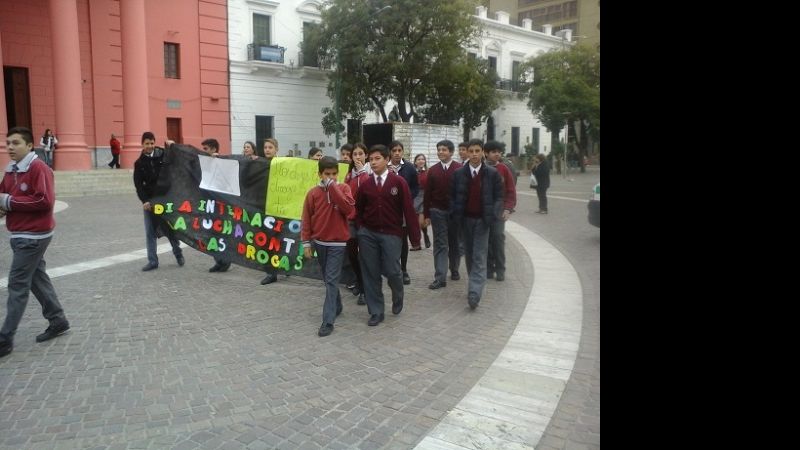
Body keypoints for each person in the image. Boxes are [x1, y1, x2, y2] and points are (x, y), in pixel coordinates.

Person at [0, 127, 70, 358]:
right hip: (20, 234)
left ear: (30, 146)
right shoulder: (11, 170)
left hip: (33, 236)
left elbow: (44, 200)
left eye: (16, 143)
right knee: (36, 278)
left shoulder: (38, 167)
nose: (10, 147)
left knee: (17, 284)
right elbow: (3, 196)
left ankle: (5, 338)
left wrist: (9, 202)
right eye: (8, 142)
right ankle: (58, 319)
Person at [355, 144, 421, 327]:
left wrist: (415, 238)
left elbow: (408, 210)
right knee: (371, 272)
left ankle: (398, 294)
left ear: (386, 159)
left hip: (392, 234)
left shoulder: (398, 183)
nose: (374, 162)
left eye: (378, 159)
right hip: (368, 234)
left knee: (393, 271)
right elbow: (359, 210)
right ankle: (376, 311)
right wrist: (361, 230)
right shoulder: (365, 185)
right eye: (371, 159)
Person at [301, 156, 355, 337]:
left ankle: (328, 320)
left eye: (334, 174)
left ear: (338, 173)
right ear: (319, 173)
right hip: (319, 243)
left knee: (331, 280)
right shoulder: (313, 193)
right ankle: (337, 305)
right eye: (327, 174)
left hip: (338, 244)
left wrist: (332, 187)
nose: (330, 177)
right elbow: (306, 219)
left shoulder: (344, 188)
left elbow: (349, 209)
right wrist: (306, 243)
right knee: (328, 280)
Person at [450, 139, 503, 310]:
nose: (474, 154)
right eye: (471, 151)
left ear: (482, 153)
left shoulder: (492, 174)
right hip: (465, 220)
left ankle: (474, 293)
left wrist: (493, 214)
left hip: (483, 221)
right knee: (470, 256)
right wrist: (455, 214)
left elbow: (499, 197)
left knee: (479, 256)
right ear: (467, 152)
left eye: (477, 151)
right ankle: (475, 283)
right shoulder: (458, 174)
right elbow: (452, 197)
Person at [134, 131, 186, 272]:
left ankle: (178, 253)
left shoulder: (163, 154)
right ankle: (152, 261)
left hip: (165, 200)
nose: (150, 146)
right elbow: (139, 185)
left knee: (169, 229)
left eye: (152, 143)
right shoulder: (139, 163)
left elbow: (176, 158)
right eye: (147, 143)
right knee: (150, 232)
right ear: (142, 144)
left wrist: (173, 146)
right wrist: (144, 201)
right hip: (150, 203)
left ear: (154, 142)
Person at [423, 140, 462, 290]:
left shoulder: (459, 169)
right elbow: (427, 195)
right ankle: (440, 277)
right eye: (439, 150)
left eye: (444, 150)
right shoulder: (432, 171)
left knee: (454, 242)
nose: (440, 152)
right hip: (437, 211)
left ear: (451, 152)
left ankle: (454, 268)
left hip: (455, 213)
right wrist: (427, 214)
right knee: (440, 244)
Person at [484, 140, 516, 282]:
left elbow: (511, 191)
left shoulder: (504, 169)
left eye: (499, 151)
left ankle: (500, 269)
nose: (497, 154)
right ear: (486, 153)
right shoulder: (481, 168)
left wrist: (508, 209)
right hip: (483, 211)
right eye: (493, 152)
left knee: (497, 238)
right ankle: (489, 268)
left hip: (499, 211)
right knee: (486, 240)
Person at [388, 140, 419, 285]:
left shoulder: (409, 168)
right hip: (388, 210)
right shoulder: (384, 167)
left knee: (403, 241)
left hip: (403, 211)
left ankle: (403, 269)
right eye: (394, 150)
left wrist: (407, 199)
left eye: (399, 150)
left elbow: (415, 188)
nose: (396, 153)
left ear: (403, 152)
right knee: (389, 240)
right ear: (390, 152)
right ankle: (391, 269)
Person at [200, 138, 232, 273]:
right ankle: (219, 260)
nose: (204, 152)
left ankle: (225, 260)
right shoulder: (204, 163)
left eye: (206, 149)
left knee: (220, 234)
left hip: (220, 205)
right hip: (208, 204)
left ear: (214, 149)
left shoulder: (223, 163)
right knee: (209, 234)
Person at [344, 143, 370, 305]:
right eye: (355, 154)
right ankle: (359, 281)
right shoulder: (348, 174)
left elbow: (367, 190)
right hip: (350, 220)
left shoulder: (368, 172)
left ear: (365, 156)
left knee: (365, 256)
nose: (358, 157)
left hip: (365, 220)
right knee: (352, 254)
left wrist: (361, 173)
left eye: (361, 154)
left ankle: (365, 289)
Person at [260, 138, 281, 284]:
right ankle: (271, 272)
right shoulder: (258, 164)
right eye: (265, 147)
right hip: (263, 208)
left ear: (276, 149)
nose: (267, 150)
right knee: (268, 241)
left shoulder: (282, 165)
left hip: (280, 209)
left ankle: (282, 266)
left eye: (270, 147)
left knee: (280, 240)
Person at [413, 153, 431, 249]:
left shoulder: (428, 172)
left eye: (423, 159)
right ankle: (422, 239)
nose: (421, 161)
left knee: (420, 222)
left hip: (424, 197)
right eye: (419, 159)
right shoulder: (412, 172)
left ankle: (420, 241)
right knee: (415, 222)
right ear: (415, 162)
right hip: (414, 197)